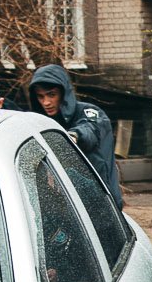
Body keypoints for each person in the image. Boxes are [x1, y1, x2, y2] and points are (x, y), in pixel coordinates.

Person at [29, 64, 124, 209]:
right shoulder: (41, 123)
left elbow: (90, 130)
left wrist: (73, 136)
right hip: (67, 204)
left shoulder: (89, 112)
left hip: (103, 201)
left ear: (63, 93)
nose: (46, 102)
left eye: (51, 95)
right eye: (41, 96)